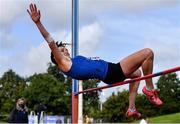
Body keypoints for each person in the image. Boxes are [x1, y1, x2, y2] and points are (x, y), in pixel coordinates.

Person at [27, 3, 163, 118]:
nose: (65, 51)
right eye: (61, 51)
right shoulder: (63, 63)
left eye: (64, 49)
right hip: (110, 72)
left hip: (111, 69)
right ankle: (150, 89)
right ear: (57, 58)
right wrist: (38, 23)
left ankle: (131, 108)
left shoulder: (73, 60)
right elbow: (50, 41)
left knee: (137, 74)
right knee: (147, 53)